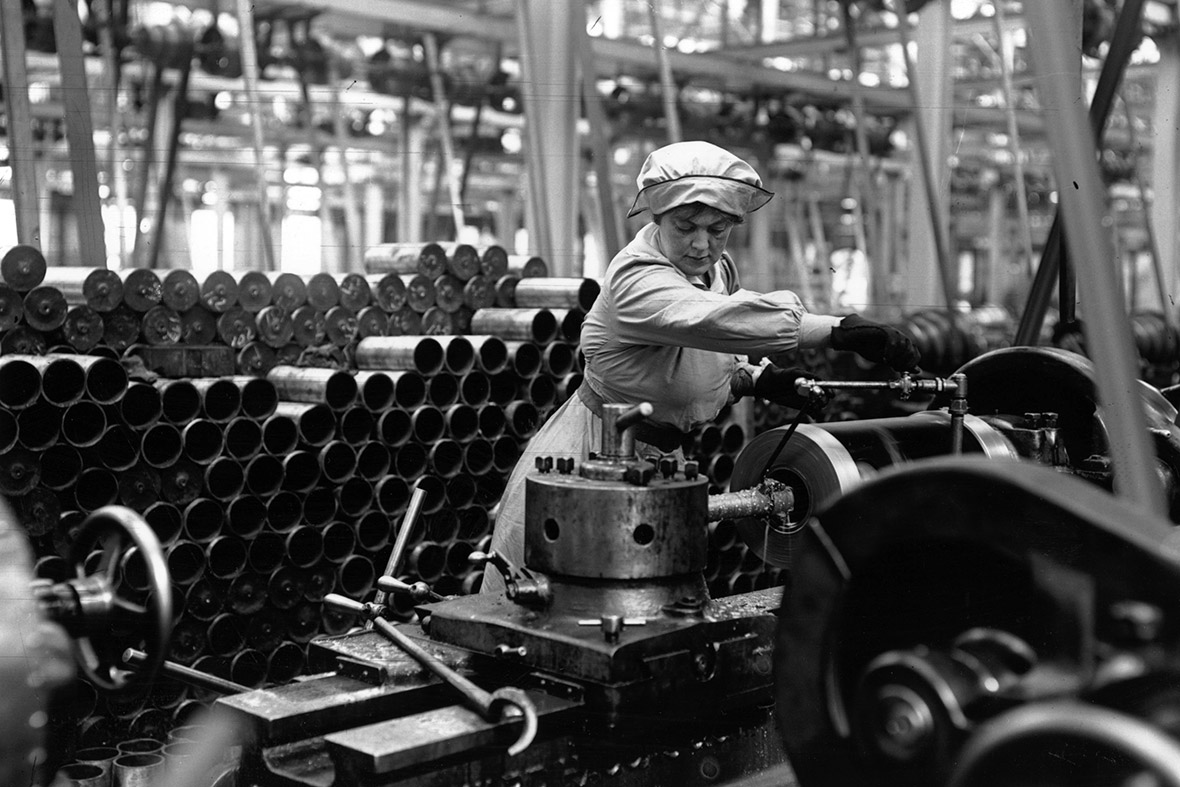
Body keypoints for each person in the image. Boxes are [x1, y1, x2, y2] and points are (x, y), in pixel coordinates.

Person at [480, 140, 919, 594]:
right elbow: (713, 321)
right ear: (657, 217)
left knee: (657, 600)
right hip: (591, 457)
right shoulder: (636, 278)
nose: (701, 244)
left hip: (662, 459)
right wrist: (838, 330)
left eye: (718, 230)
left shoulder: (717, 271)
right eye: (686, 226)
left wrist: (757, 378)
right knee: (557, 599)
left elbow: (709, 353)